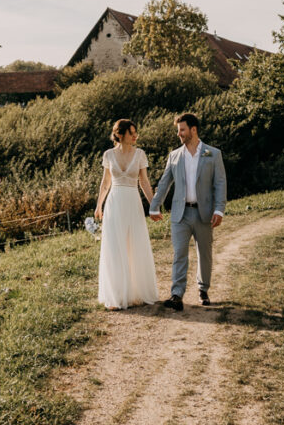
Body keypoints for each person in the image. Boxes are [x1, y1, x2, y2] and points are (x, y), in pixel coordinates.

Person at [149, 113, 227, 311]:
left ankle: (203, 290)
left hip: (205, 213)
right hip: (180, 214)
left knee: (205, 253)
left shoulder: (213, 154)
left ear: (193, 130)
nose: (179, 134)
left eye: (182, 130)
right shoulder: (174, 156)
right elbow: (165, 183)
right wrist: (154, 205)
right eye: (178, 130)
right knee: (179, 254)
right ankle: (177, 295)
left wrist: (219, 209)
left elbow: (220, 183)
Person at [95, 119, 159, 309]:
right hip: (114, 203)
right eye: (131, 132)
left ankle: (136, 292)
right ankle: (117, 295)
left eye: (135, 132)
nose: (135, 135)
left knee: (134, 245)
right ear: (120, 135)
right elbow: (105, 183)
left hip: (133, 202)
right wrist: (99, 205)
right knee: (115, 247)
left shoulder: (140, 154)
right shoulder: (108, 155)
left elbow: (144, 183)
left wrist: (153, 205)